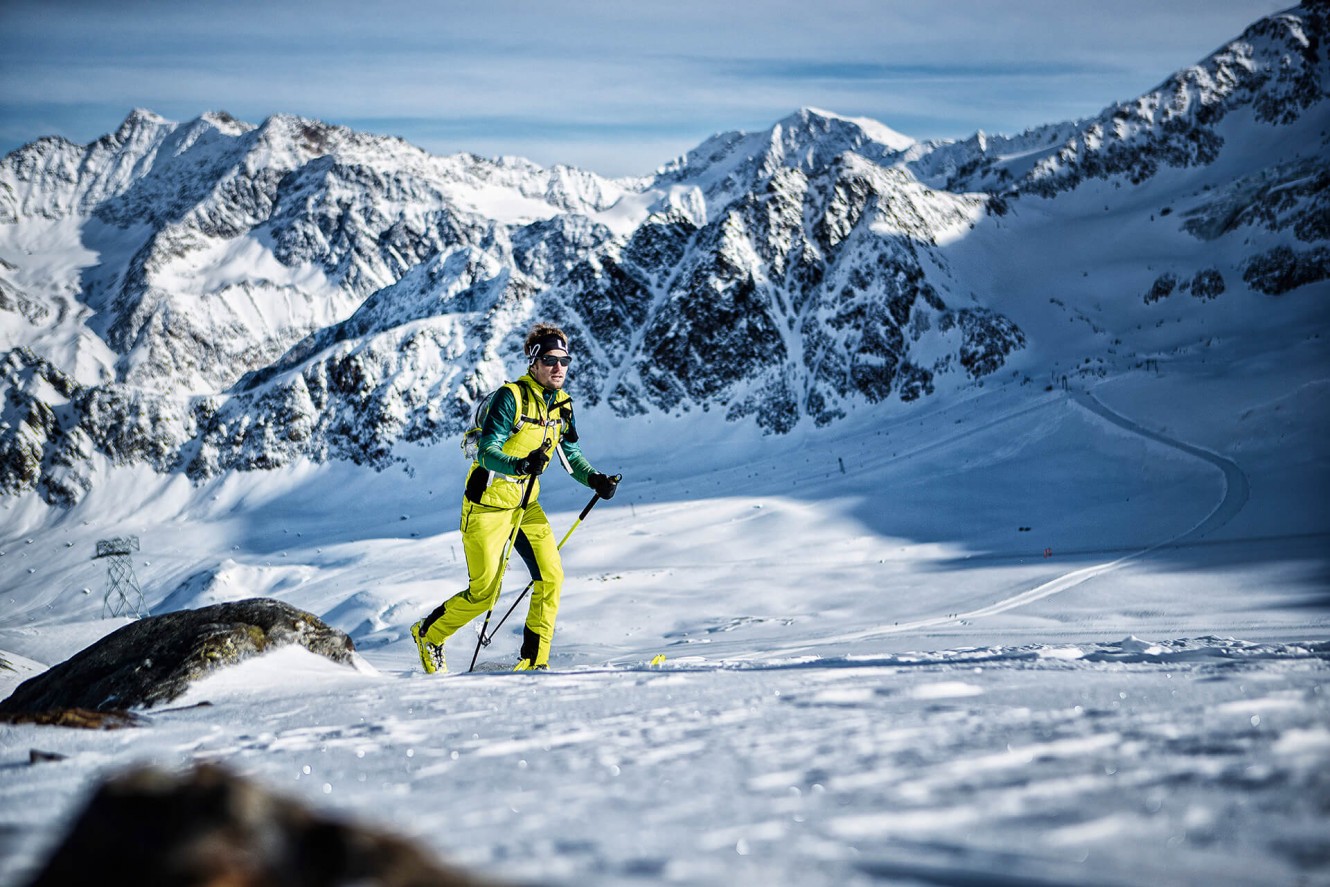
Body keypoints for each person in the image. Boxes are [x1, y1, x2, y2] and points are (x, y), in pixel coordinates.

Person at [411, 324, 619, 673]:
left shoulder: (563, 407)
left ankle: (534, 662)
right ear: (533, 362)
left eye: (564, 360)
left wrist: (595, 478)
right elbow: (486, 451)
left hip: (526, 507)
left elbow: (571, 455)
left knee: (551, 578)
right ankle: (429, 634)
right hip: (487, 506)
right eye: (550, 360)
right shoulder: (511, 398)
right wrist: (520, 464)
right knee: (484, 594)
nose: (559, 368)